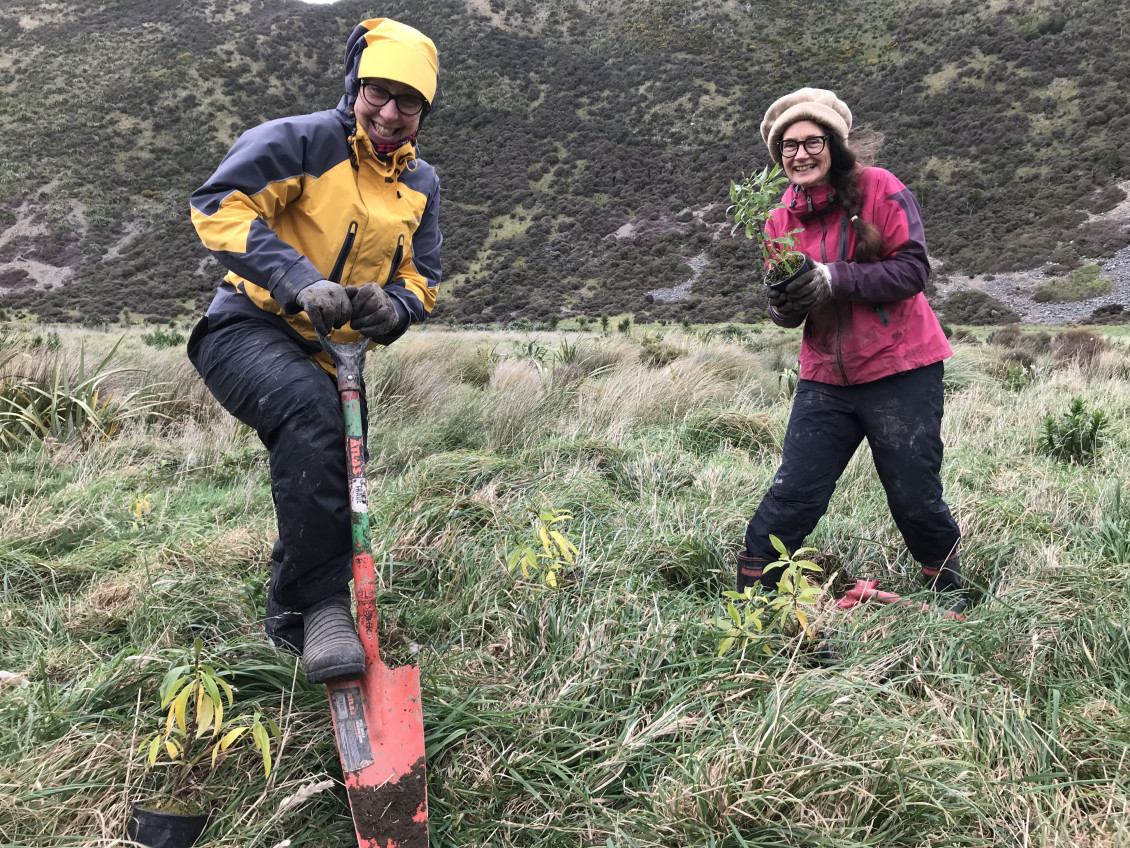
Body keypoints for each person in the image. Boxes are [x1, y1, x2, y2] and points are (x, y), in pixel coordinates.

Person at [187, 18, 442, 682]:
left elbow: (423, 276)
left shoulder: (422, 186)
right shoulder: (302, 141)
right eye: (377, 91)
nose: (389, 112)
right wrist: (297, 279)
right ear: (355, 84)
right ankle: (317, 610)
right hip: (247, 327)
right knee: (310, 416)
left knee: (331, 464)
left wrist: (396, 308)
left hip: (339, 356)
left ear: (424, 110)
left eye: (407, 100)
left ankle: (294, 610)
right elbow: (219, 204)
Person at [737, 88, 966, 614]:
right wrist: (783, 305)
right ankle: (753, 601)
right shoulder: (777, 222)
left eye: (811, 141)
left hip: (899, 368)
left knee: (913, 496)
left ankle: (949, 595)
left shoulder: (880, 188)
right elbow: (790, 310)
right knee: (792, 493)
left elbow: (913, 271)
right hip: (825, 378)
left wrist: (831, 278)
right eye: (787, 146)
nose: (799, 154)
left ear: (834, 144)